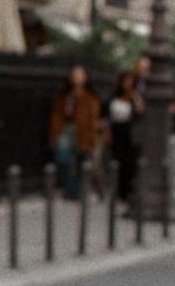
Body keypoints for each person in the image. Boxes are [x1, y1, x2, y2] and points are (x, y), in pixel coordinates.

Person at [47, 60, 101, 194]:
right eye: (74, 75)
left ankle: (81, 190)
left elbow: (93, 119)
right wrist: (55, 133)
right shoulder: (64, 95)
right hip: (66, 129)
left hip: (83, 132)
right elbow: (57, 115)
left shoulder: (90, 97)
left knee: (81, 162)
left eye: (80, 75)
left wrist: (91, 138)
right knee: (63, 159)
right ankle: (73, 189)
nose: (77, 78)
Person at [105, 67, 141, 210]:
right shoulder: (114, 97)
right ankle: (118, 193)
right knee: (116, 162)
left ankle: (127, 193)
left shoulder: (135, 96)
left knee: (129, 164)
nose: (127, 84)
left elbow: (140, 111)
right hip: (116, 133)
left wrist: (135, 97)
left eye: (130, 81)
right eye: (125, 81)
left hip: (129, 134)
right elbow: (107, 115)